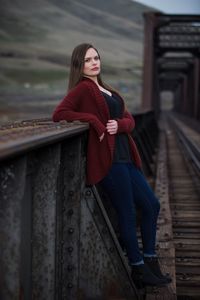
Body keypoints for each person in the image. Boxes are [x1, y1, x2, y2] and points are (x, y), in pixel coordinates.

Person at [52, 43, 171, 288]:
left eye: (96, 57)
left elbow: (128, 119)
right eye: (88, 60)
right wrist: (94, 120)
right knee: (126, 212)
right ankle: (138, 268)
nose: (95, 62)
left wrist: (119, 125)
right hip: (110, 163)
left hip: (127, 158)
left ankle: (150, 260)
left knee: (151, 205)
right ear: (79, 65)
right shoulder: (83, 89)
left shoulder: (107, 89)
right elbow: (60, 113)